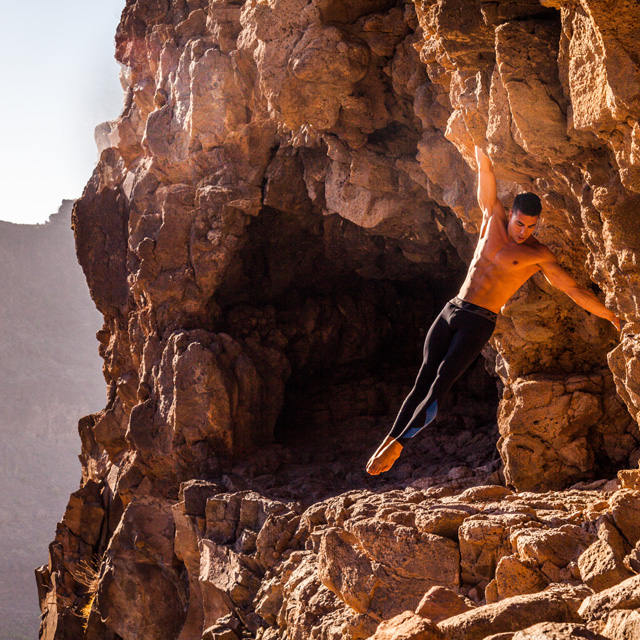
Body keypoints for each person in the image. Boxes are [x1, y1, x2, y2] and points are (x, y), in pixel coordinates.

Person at [366, 145, 621, 475]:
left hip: (479, 321)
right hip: (452, 309)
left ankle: (399, 445)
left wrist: (610, 315)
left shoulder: (537, 254)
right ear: (510, 214)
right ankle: (389, 439)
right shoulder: (492, 218)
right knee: (422, 380)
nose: (523, 231)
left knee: (441, 381)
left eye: (531, 227)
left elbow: (572, 289)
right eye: (519, 224)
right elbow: (485, 172)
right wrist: (481, 148)